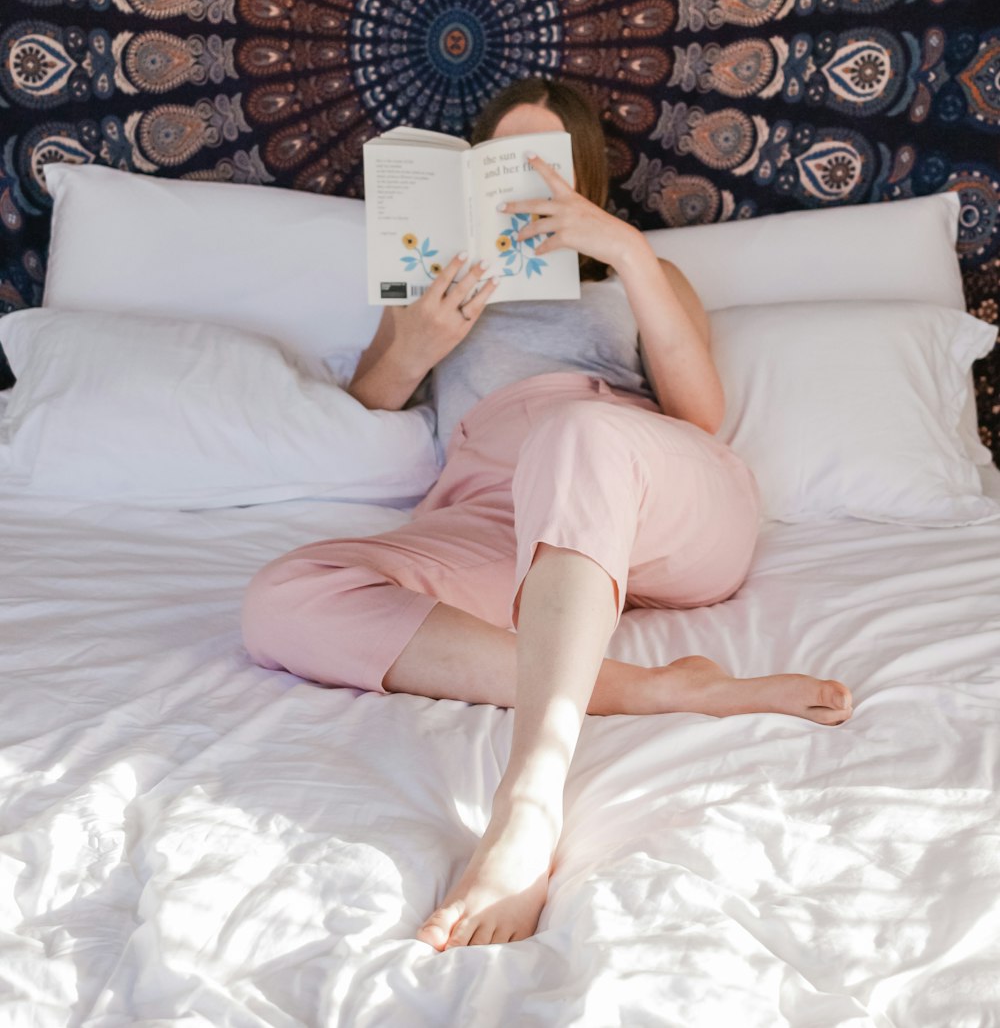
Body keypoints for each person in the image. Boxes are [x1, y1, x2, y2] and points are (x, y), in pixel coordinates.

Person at [242, 77, 853, 952]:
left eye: (541, 167)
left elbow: (701, 413)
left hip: (653, 486)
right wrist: (419, 340)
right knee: (282, 596)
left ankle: (528, 801)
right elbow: (371, 395)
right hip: (499, 509)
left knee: (578, 432)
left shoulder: (640, 269)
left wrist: (630, 253)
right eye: (503, 162)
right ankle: (651, 689)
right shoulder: (432, 282)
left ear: (584, 179)